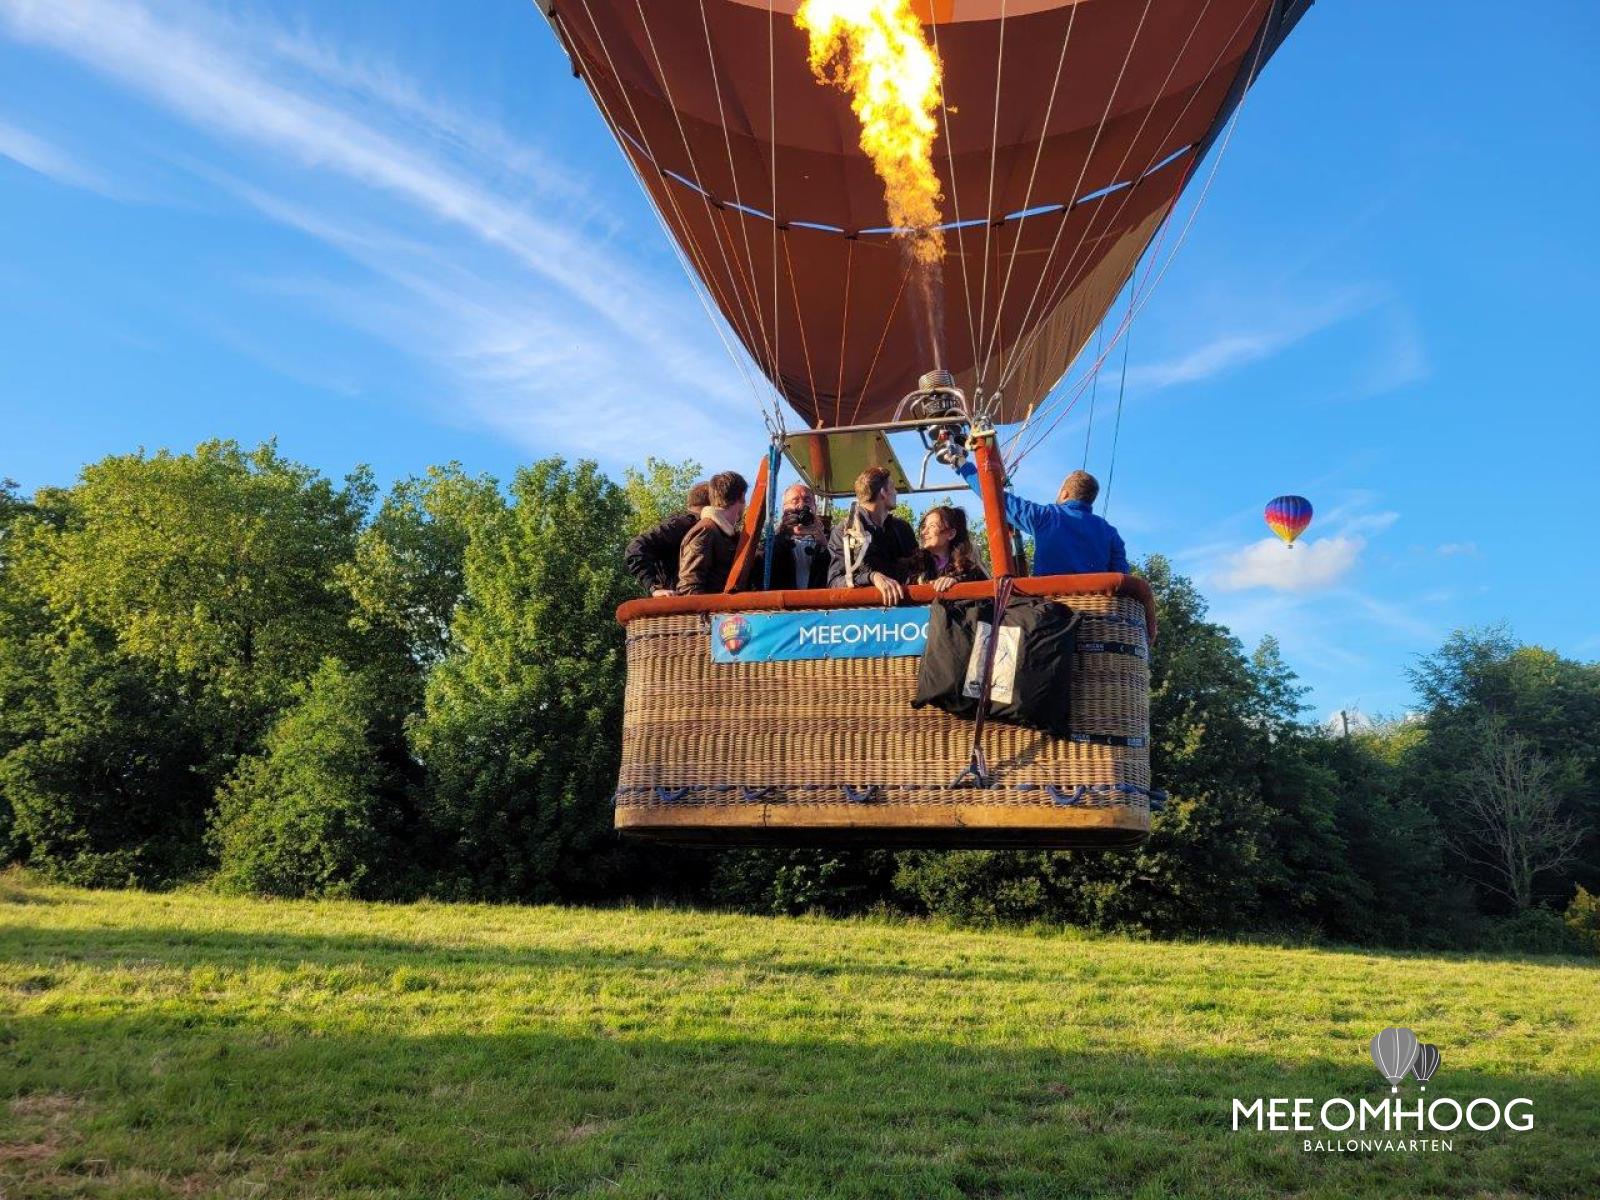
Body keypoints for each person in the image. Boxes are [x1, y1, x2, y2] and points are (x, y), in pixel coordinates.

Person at [956, 460, 1127, 575]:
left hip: (1051, 608)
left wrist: (963, 465)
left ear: (1065, 493)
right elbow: (1121, 574)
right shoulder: (1110, 533)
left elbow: (997, 498)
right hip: (1096, 615)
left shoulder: (1048, 516)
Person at [828, 466, 917, 604]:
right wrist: (871, 577)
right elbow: (834, 582)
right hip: (865, 619)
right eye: (893, 487)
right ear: (883, 492)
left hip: (904, 615)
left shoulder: (902, 529)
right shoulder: (844, 532)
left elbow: (918, 569)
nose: (896, 492)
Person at [625, 481, 711, 597]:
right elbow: (636, 547)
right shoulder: (683, 524)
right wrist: (654, 587)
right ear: (711, 504)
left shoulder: (691, 524)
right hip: (677, 605)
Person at [676, 471, 749, 595]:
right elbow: (689, 588)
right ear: (742, 496)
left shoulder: (727, 534)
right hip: (712, 613)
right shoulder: (706, 531)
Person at [766, 483, 832, 590]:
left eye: (807, 500)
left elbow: (839, 569)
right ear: (784, 509)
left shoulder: (833, 538)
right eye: (795, 501)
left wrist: (823, 542)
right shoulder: (772, 542)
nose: (802, 505)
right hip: (784, 602)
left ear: (815, 507)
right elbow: (766, 570)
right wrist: (783, 534)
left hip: (820, 603)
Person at [908, 505, 988, 594]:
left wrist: (956, 582)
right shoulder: (912, 565)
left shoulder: (968, 569)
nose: (924, 532)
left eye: (932, 526)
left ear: (951, 534)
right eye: (923, 526)